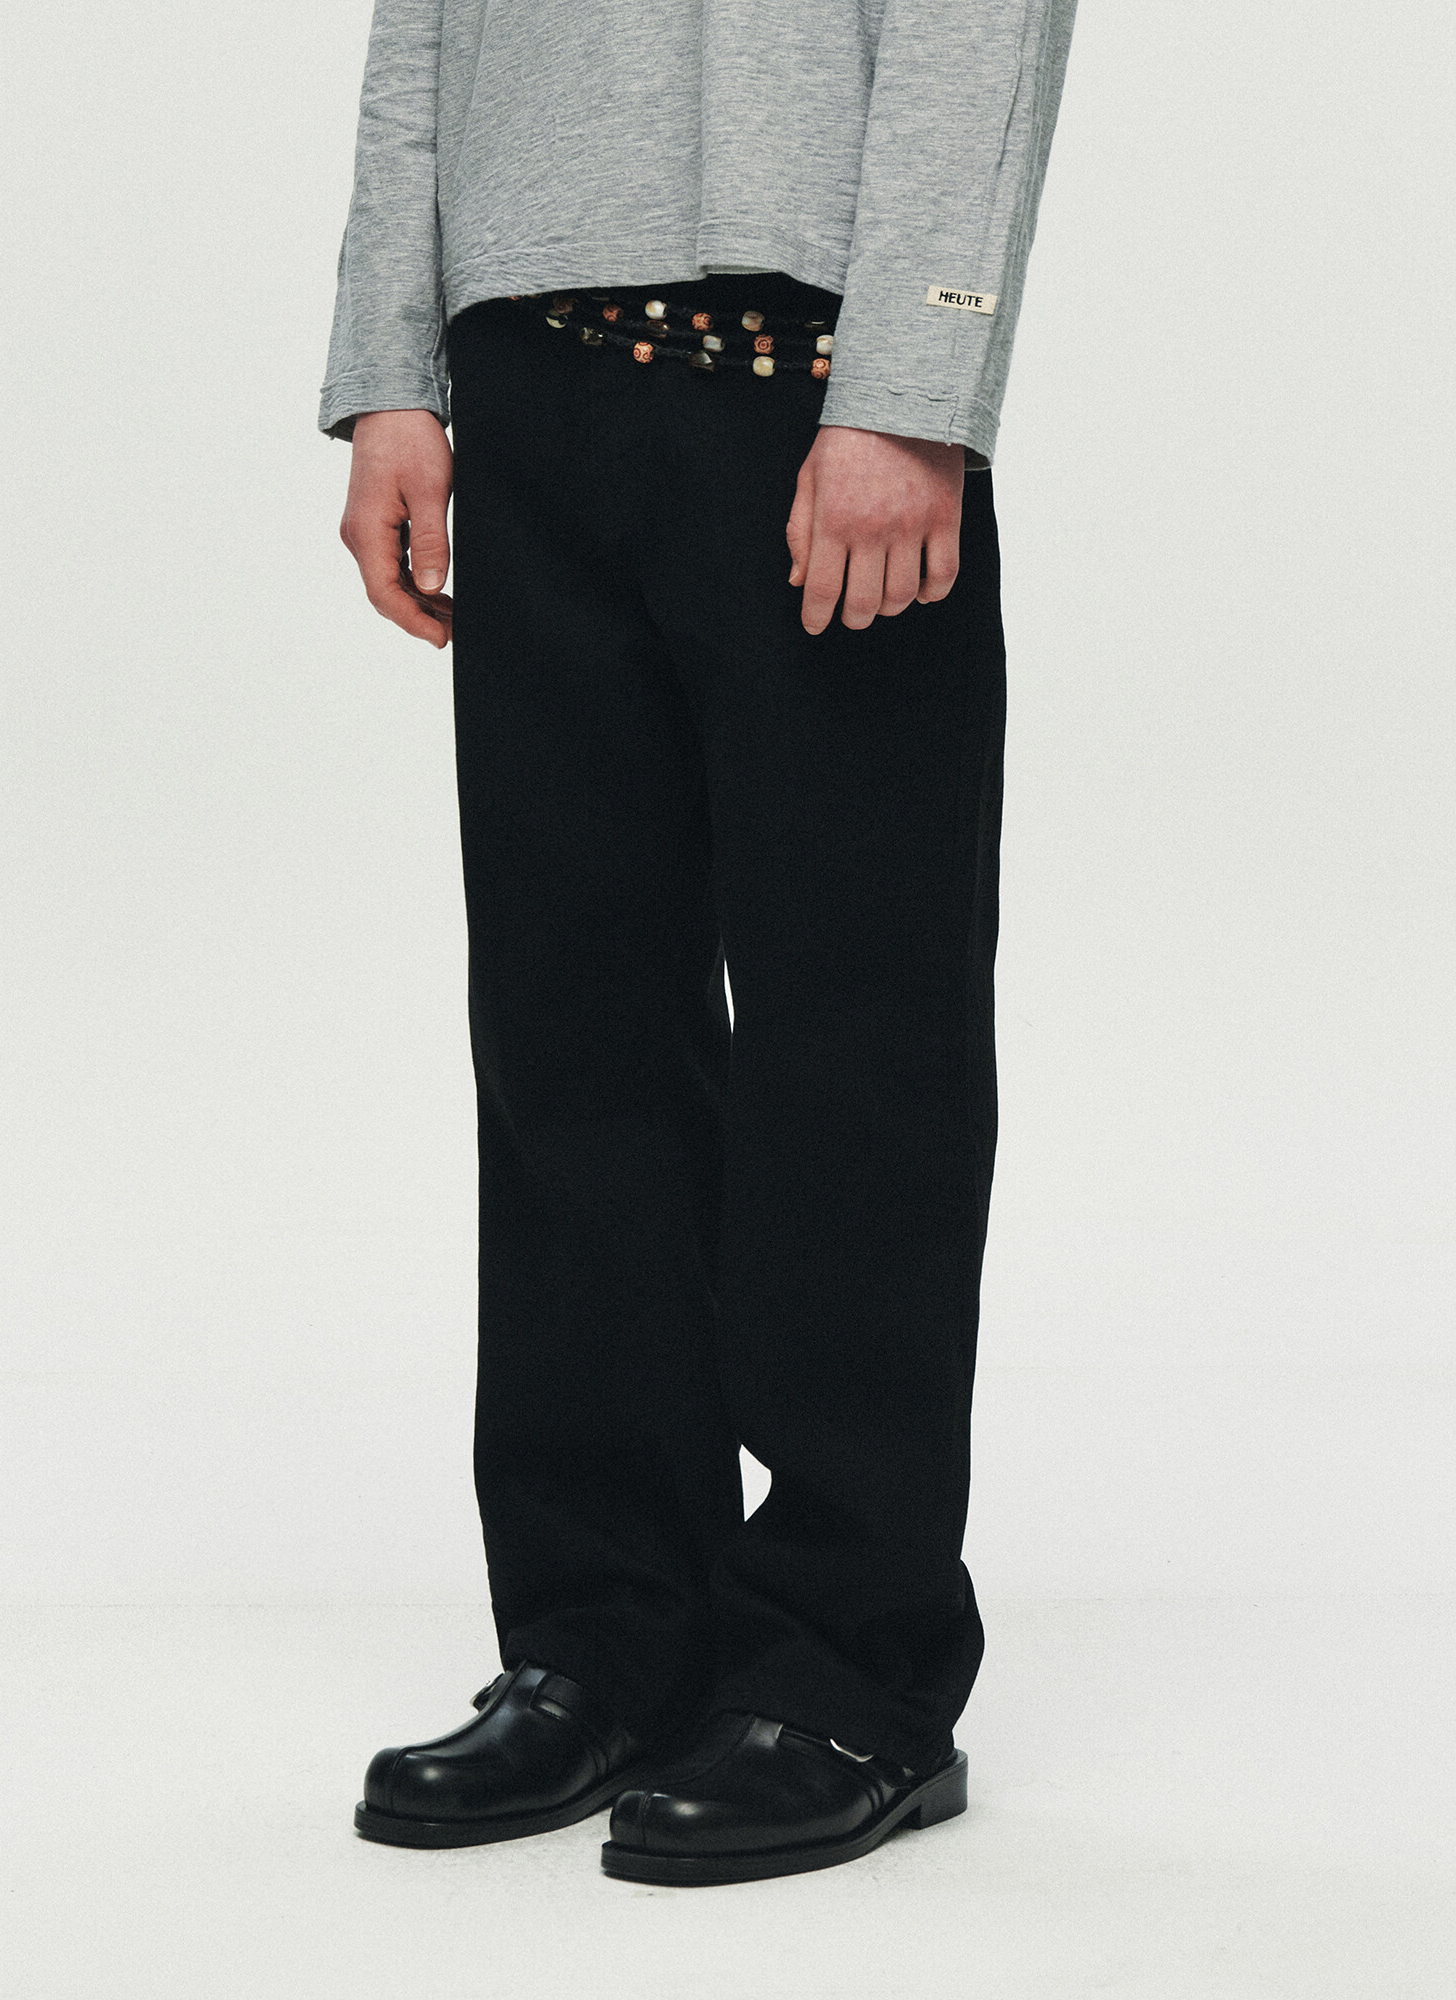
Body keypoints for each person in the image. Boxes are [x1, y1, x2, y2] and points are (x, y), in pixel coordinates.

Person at [319, 0, 1078, 1888]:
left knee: (854, 1040)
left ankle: (850, 1665)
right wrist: (390, 368)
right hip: (527, 373)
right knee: (570, 1036)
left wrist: (915, 381)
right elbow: (421, 25)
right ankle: (605, 1635)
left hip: (810, 373)